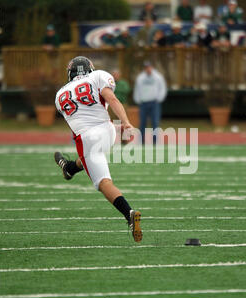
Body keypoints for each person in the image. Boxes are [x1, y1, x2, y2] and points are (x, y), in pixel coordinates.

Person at [54, 56, 142, 242]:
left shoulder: (60, 94)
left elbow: (76, 119)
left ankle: (129, 214)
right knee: (89, 156)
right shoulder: (99, 75)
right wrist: (125, 123)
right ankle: (69, 168)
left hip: (86, 137)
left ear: (70, 73)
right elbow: (111, 98)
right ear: (90, 69)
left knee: (104, 183)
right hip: (108, 131)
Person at [133, 61, 167, 144]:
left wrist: (159, 98)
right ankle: (141, 141)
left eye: (149, 67)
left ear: (152, 67)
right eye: (146, 67)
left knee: (155, 122)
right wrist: (138, 99)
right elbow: (137, 89)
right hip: (143, 103)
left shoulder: (158, 77)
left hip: (154, 103)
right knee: (142, 123)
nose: (148, 69)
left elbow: (162, 88)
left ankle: (155, 141)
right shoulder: (140, 77)